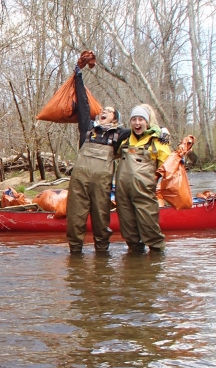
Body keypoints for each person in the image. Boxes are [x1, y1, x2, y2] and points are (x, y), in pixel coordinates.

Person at [65, 64, 130, 254]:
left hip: (102, 185)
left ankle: (102, 255)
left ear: (115, 119)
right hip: (79, 182)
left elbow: (139, 129)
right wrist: (78, 75)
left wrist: (160, 131)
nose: (103, 111)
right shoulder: (87, 129)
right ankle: (75, 254)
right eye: (103, 109)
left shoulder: (120, 134)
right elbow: (84, 104)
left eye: (109, 111)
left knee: (101, 220)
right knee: (75, 218)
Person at [115, 104, 172, 252]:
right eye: (134, 119)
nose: (137, 123)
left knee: (150, 229)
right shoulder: (124, 140)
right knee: (129, 232)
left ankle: (156, 264)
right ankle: (135, 267)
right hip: (123, 194)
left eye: (141, 119)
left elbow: (168, 168)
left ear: (147, 122)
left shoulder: (158, 141)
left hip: (145, 193)